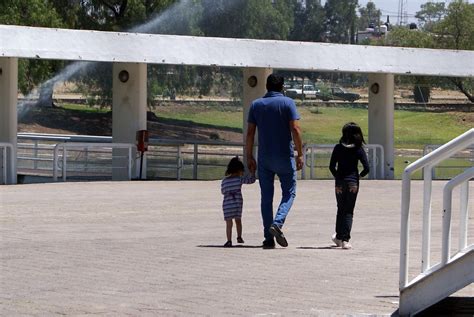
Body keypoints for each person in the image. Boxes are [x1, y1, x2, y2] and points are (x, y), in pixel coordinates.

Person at [246, 74, 304, 249]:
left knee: (266, 197)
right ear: (282, 87)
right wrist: (300, 153)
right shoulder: (288, 103)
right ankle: (277, 223)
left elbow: (250, 133)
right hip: (284, 156)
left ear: (267, 86)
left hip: (264, 158)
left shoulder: (256, 105)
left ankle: (268, 238)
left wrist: (249, 156)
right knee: (289, 192)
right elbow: (295, 129)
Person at [329, 122, 370, 250]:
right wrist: (359, 177)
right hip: (353, 182)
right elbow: (367, 168)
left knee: (340, 209)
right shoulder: (358, 149)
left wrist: (338, 177)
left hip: (340, 182)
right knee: (349, 211)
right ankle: (346, 239)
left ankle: (338, 237)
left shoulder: (338, 148)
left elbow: (331, 167)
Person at [221, 156, 256, 248]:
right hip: (237, 203)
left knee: (229, 223)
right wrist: (253, 172)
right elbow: (251, 180)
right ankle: (239, 236)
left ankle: (229, 240)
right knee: (238, 220)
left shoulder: (224, 180)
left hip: (227, 204)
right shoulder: (239, 179)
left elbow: (223, 191)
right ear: (239, 170)